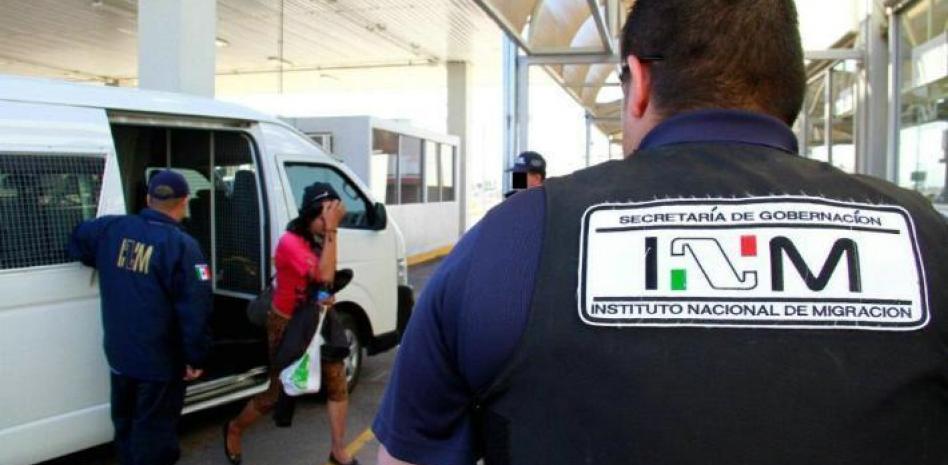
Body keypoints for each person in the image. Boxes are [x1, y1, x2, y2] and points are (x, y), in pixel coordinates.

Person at [373, 1, 948, 464]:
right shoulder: (925, 238)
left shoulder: (513, 240)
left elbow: (409, 455)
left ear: (640, 81)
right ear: (789, 88)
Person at [68, 170, 212, 465]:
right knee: (154, 437)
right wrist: (196, 357)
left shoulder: (112, 228)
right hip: (159, 364)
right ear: (184, 201)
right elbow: (195, 309)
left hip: (120, 356)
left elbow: (77, 240)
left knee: (126, 427)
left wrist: (105, 259)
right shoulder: (183, 246)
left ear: (148, 199)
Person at [224, 183, 359, 465]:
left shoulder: (320, 237)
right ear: (308, 215)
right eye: (322, 217)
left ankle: (338, 449)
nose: (327, 222)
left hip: (318, 317)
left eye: (331, 216)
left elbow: (325, 282)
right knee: (277, 393)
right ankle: (235, 428)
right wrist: (332, 231)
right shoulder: (290, 242)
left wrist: (325, 294)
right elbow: (324, 275)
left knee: (337, 383)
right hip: (287, 323)